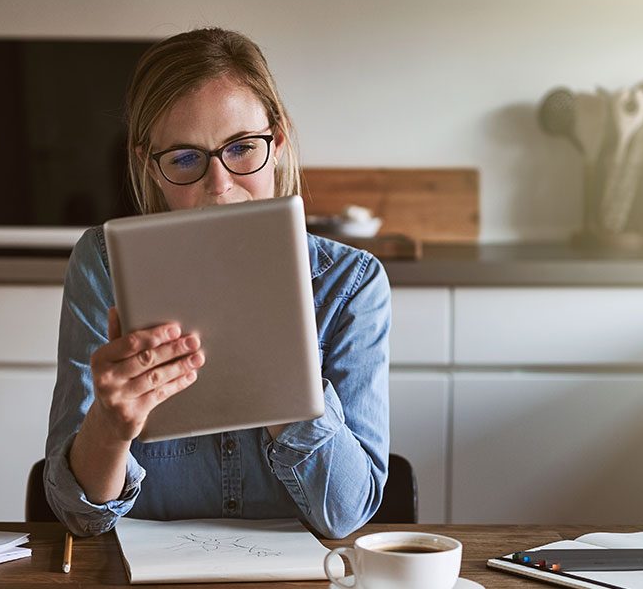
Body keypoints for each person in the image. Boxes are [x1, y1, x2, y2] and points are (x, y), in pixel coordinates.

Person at [44, 27, 390, 540]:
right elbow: (78, 516)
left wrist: (280, 374)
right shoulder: (103, 266)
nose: (220, 184)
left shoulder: (352, 284)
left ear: (279, 139)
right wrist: (110, 426)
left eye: (243, 148)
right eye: (185, 159)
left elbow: (345, 514)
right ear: (149, 166)